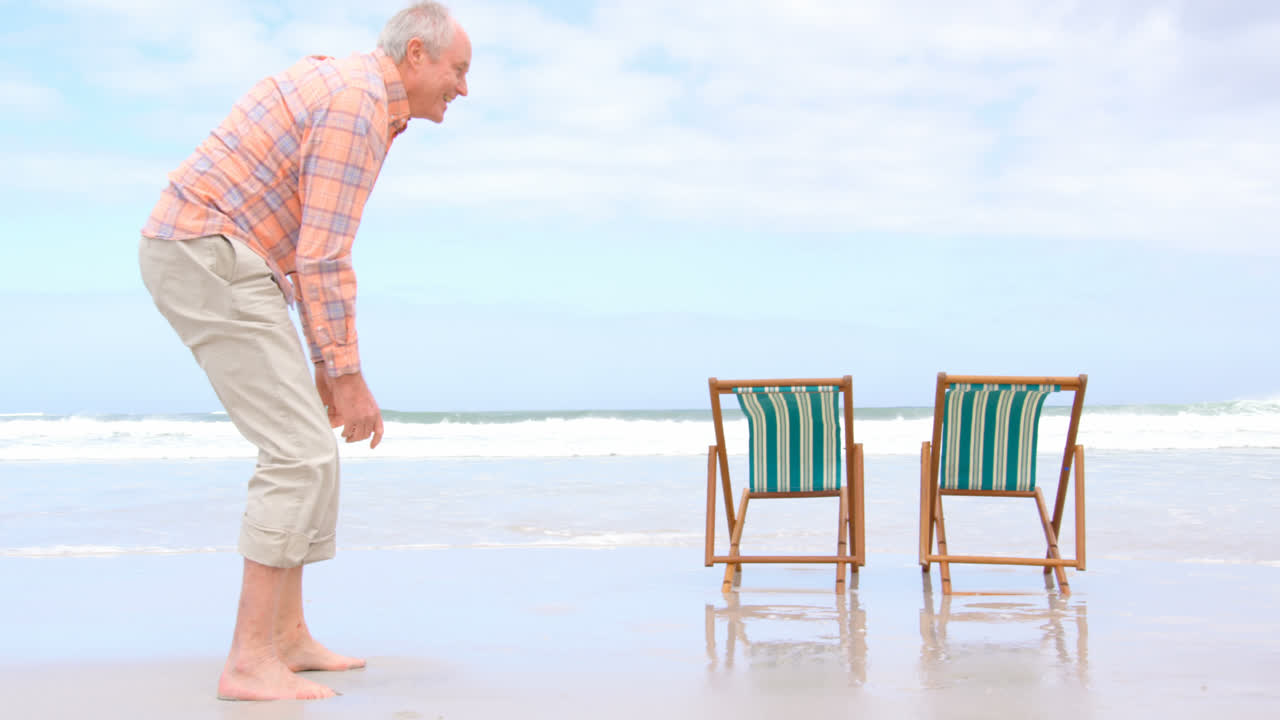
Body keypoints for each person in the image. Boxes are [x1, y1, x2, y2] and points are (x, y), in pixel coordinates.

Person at [138, 1, 471, 701]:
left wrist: (325, 364)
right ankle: (248, 659)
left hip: (225, 254)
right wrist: (347, 375)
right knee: (299, 453)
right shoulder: (357, 105)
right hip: (207, 251)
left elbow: (302, 246)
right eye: (457, 70)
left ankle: (285, 638)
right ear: (417, 54)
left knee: (306, 446)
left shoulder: (353, 90)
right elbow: (324, 256)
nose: (462, 87)